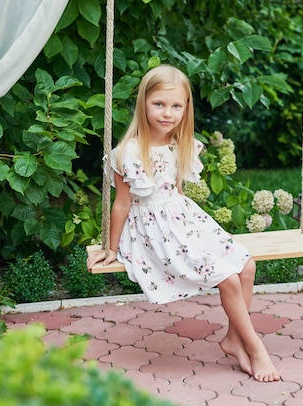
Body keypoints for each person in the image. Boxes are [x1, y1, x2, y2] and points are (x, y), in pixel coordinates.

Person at [87, 64, 280, 382]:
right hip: (150, 231)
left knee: (246, 266)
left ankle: (234, 338)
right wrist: (111, 247)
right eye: (159, 104)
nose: (167, 113)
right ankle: (256, 347)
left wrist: (195, 229)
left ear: (186, 108)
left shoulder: (180, 144)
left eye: (176, 105)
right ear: (143, 103)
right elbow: (122, 204)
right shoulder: (129, 152)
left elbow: (176, 192)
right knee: (228, 280)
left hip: (181, 218)